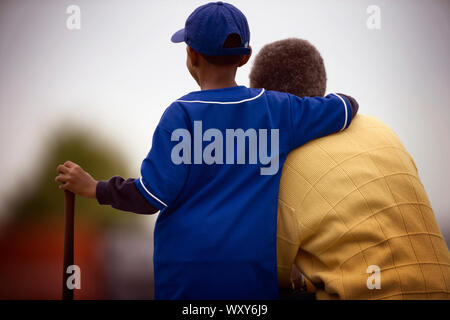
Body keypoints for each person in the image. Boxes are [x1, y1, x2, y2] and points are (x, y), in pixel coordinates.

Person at [55, 2, 358, 299]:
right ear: (245, 57)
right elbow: (346, 106)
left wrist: (95, 188)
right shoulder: (279, 109)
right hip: (250, 281)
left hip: (185, 279)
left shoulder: (180, 115)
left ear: (191, 54)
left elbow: (151, 196)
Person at [249, 38, 450, 300]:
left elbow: (267, 270)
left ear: (264, 102)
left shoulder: (280, 159)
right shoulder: (381, 130)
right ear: (320, 83)